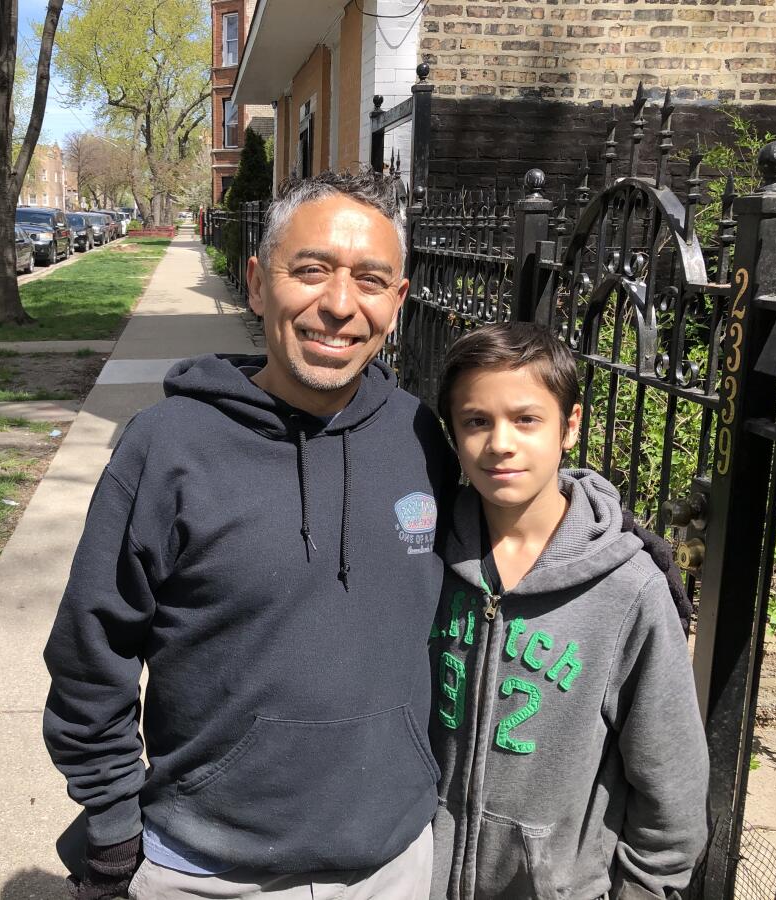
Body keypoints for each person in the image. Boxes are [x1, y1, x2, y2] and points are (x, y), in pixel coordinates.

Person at [43, 171, 456, 900]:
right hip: (206, 868)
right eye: (311, 271)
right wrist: (110, 824)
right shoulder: (168, 447)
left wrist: (610, 535)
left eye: (369, 280)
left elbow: (508, 550)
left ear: (397, 302)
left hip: (392, 864)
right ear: (260, 283)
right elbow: (90, 650)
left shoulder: (423, 438)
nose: (337, 304)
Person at [427, 322, 709, 900]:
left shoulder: (629, 589)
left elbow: (669, 778)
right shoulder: (425, 556)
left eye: (526, 419)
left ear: (570, 426)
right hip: (417, 876)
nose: (500, 442)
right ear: (453, 435)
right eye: (477, 421)